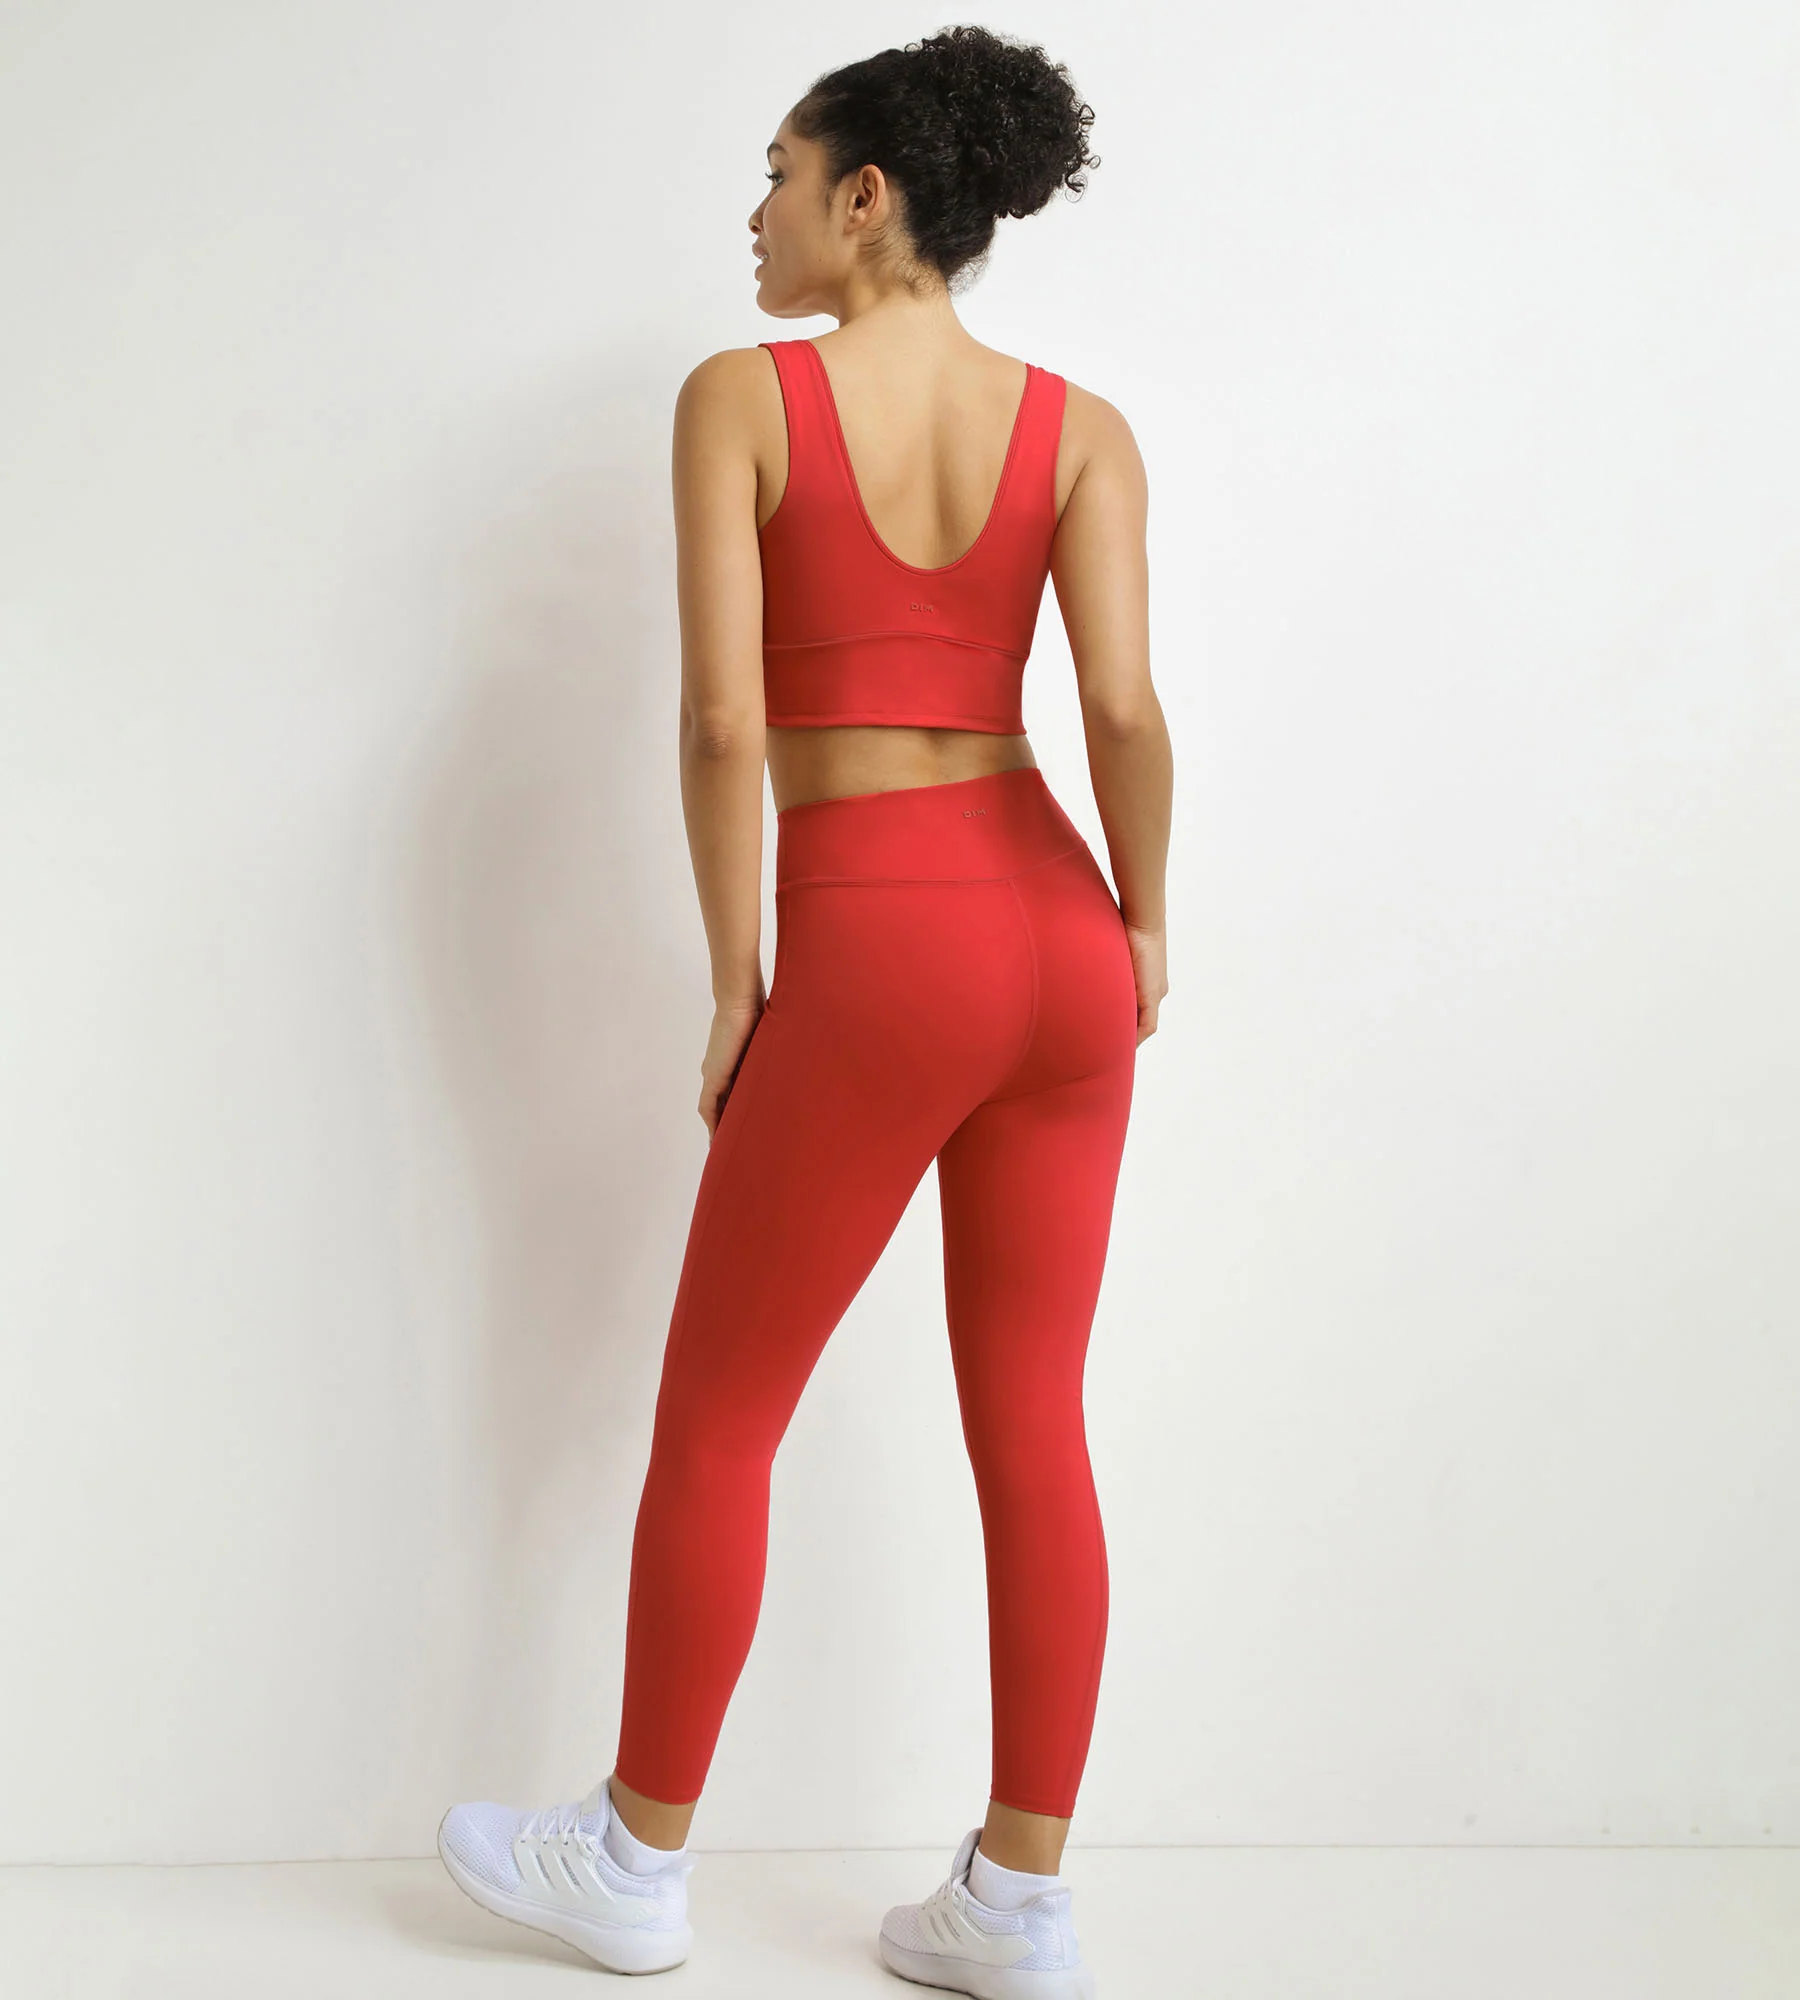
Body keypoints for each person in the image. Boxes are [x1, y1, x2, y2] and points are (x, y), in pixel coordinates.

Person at [437, 26, 1171, 1996]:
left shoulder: (743, 400)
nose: (753, 213)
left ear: (865, 196)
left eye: (775, 172)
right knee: (1035, 1416)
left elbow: (720, 721)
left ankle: (633, 1856)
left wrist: (738, 979)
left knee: (721, 1411)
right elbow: (1118, 709)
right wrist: (1146, 920)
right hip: (1060, 932)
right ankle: (1018, 1899)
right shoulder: (1083, 429)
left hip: (879, 931)